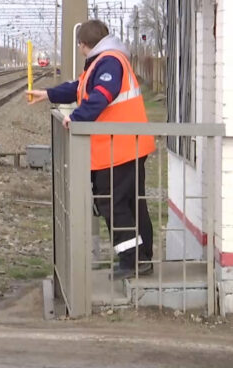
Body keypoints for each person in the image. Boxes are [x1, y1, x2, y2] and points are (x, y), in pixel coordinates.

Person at [27, 19, 155, 279]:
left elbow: (100, 96)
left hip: (118, 148)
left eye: (80, 48)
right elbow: (80, 88)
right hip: (125, 145)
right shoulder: (106, 60)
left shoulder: (109, 61)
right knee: (131, 203)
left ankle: (132, 261)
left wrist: (76, 118)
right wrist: (49, 94)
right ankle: (141, 258)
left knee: (113, 203)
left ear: (84, 45)